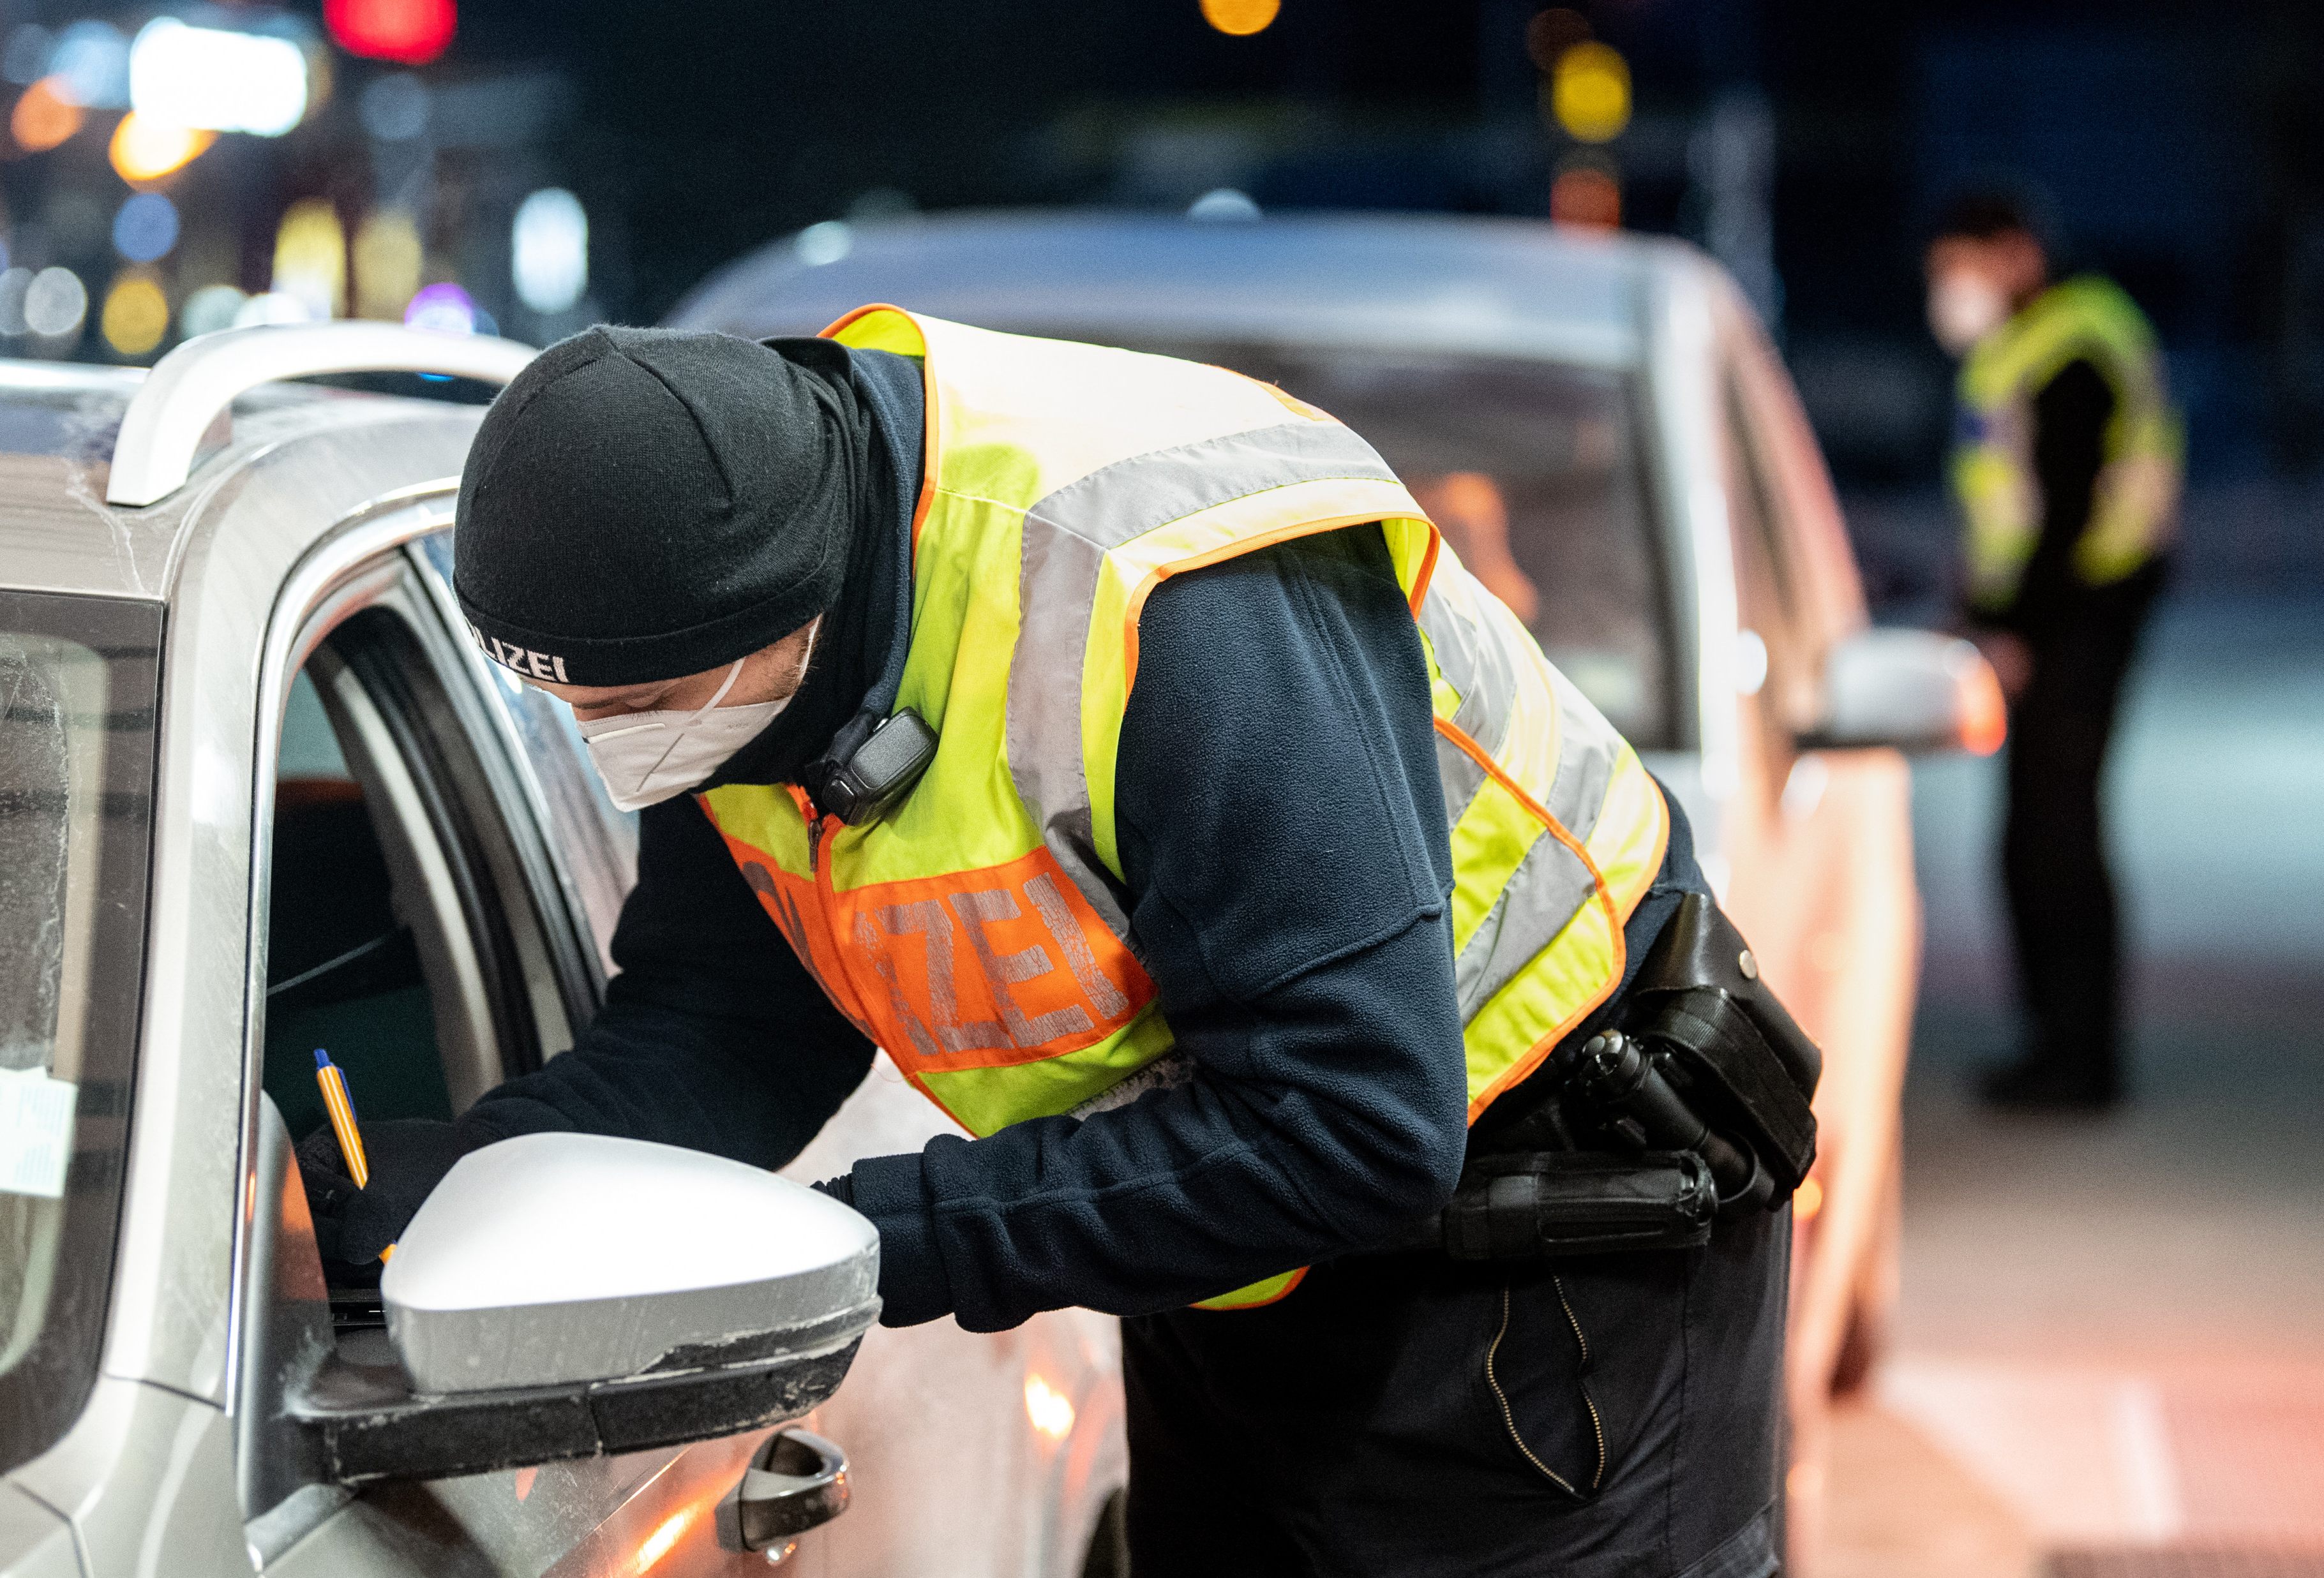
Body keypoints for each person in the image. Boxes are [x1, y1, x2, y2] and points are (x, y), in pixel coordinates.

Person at [300, 312, 1794, 1576]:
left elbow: (1353, 1122)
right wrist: (444, 1204)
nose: (618, 748)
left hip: (1549, 1262)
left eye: (639, 706)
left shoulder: (1167, 590)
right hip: (1237, 1259)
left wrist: (856, 1244)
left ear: (795, 603)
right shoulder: (732, 648)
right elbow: (727, 1027)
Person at [1925, 193, 2181, 1110]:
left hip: (2080, 621)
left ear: (2015, 253)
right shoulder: (2031, 342)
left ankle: (2078, 1059)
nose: (1947, 287)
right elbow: (2007, 507)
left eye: (1961, 262)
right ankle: (2053, 1047)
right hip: (2053, 619)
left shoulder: (2075, 341)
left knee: (2056, 839)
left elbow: (2066, 513)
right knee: (2035, 836)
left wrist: (2018, 631)